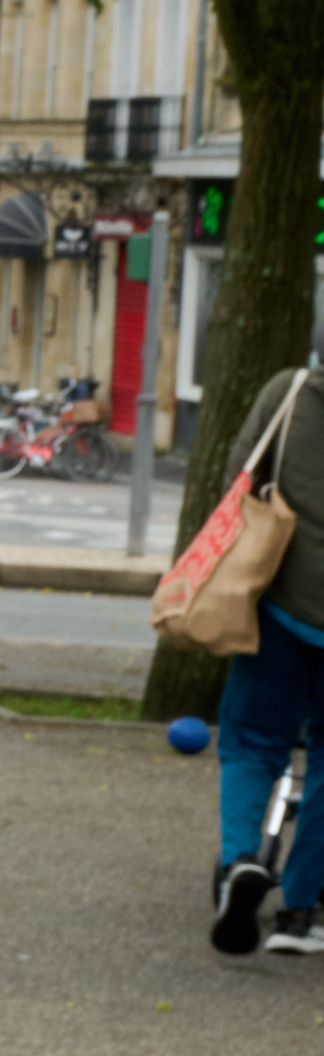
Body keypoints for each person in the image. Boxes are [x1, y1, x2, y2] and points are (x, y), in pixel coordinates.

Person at [207, 365, 324, 955]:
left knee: (252, 740)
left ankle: (238, 865)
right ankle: (301, 912)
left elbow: (238, 477)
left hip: (282, 605)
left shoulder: (291, 391)